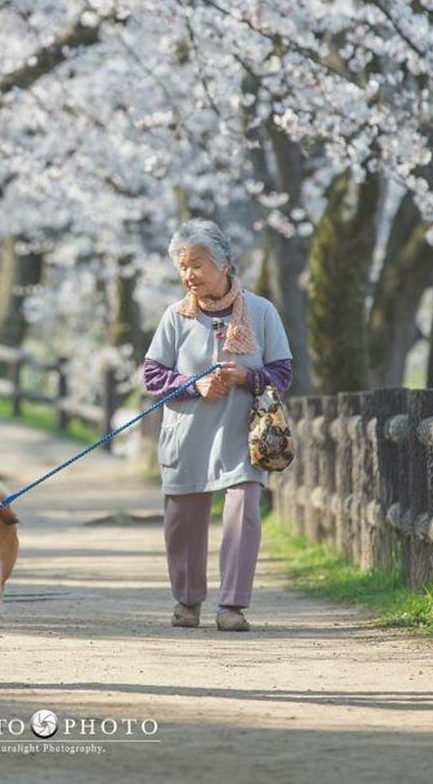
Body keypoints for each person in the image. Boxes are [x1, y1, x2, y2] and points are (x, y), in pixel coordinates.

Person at [143, 218, 293, 631]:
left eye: (197, 264)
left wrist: (248, 377)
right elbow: (153, 376)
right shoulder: (175, 316)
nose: (189, 274)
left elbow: (282, 372)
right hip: (187, 433)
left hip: (242, 435)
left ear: (224, 263)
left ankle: (232, 606)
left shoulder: (261, 311)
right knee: (182, 521)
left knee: (243, 511)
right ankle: (187, 602)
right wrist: (194, 384)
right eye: (183, 266)